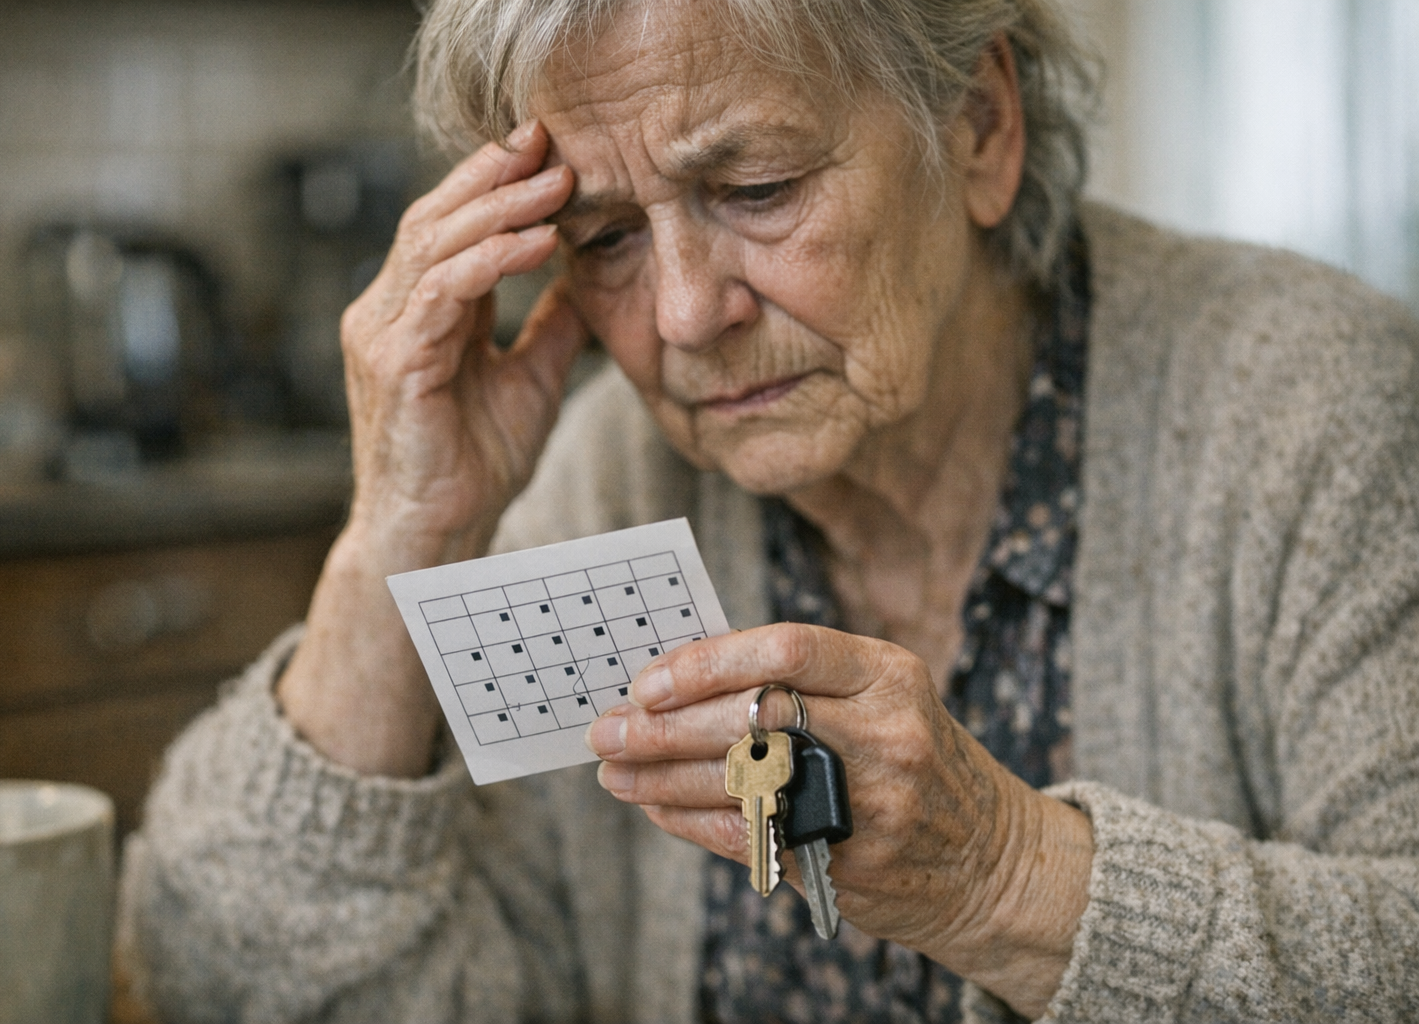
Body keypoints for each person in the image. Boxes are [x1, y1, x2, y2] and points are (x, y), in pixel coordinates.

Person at [117, 0, 1419, 1020]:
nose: (686, 317)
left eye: (756, 192)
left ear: (977, 125)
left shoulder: (1310, 404)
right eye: (608, 236)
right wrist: (398, 535)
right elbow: (228, 983)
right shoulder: (603, 483)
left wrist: (1007, 876)